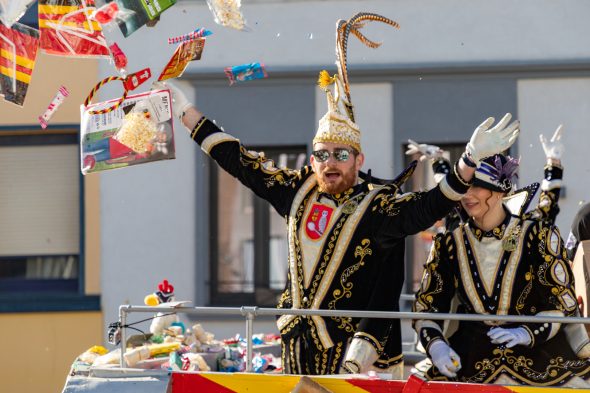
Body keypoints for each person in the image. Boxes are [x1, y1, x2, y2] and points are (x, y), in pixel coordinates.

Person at [158, 13, 519, 376]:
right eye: (322, 155)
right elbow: (241, 163)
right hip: (297, 349)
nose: (330, 163)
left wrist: (468, 161)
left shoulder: (379, 206)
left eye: (341, 155)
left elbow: (431, 205)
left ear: (358, 159)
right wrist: (188, 115)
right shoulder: (296, 190)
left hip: (357, 361)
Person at [412, 151, 590, 386]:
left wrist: (525, 333)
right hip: (468, 354)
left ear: (499, 192)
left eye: (477, 187)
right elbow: (428, 308)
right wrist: (436, 346)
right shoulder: (448, 243)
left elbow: (558, 304)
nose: (468, 195)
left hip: (536, 353)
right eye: (464, 186)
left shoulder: (537, 236)